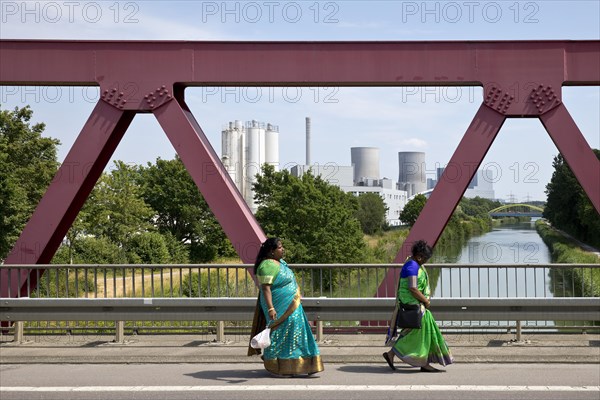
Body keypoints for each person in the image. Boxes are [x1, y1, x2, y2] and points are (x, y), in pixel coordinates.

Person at [248, 237, 324, 377]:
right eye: (280, 247)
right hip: (277, 305)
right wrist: (271, 308)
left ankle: (305, 363)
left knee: (298, 330)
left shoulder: (280, 263)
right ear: (271, 251)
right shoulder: (267, 265)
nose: (283, 249)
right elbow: (265, 289)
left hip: (293, 304)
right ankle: (277, 366)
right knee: (281, 333)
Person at [383, 240, 454, 372]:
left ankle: (393, 354)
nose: (426, 262)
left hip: (413, 305)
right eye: (426, 259)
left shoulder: (413, 264)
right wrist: (426, 301)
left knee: (414, 332)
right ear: (419, 256)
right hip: (412, 305)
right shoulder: (412, 267)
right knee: (421, 332)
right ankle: (423, 362)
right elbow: (413, 288)